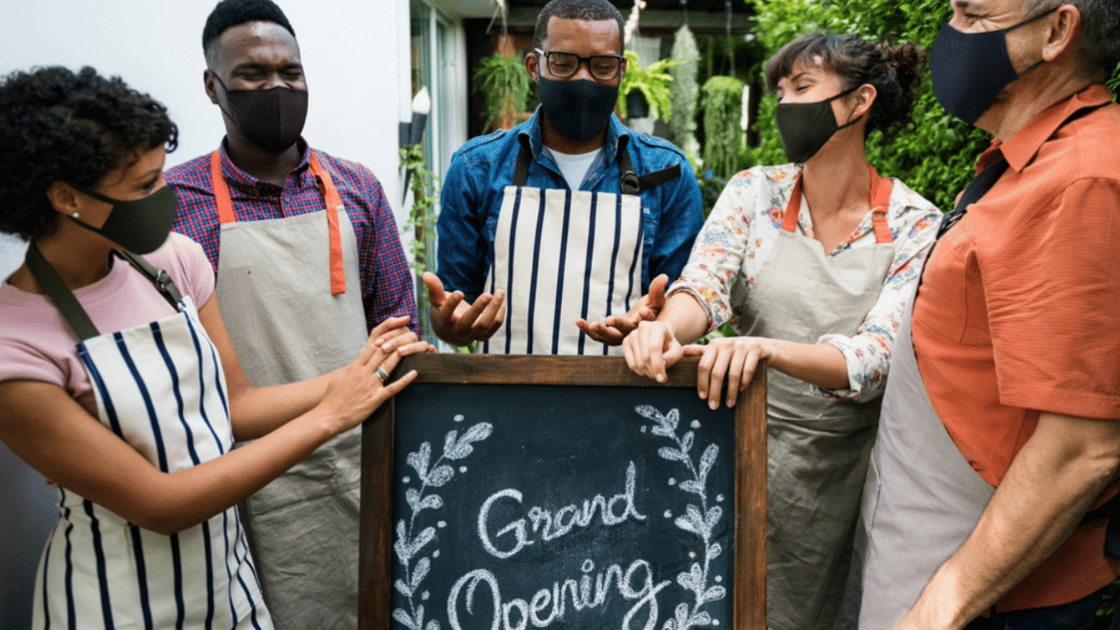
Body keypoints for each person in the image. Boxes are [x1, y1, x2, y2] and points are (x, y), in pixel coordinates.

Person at [0, 65, 428, 629]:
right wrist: (329, 415)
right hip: (114, 601)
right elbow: (162, 504)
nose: (165, 195)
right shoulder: (16, 345)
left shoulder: (173, 263)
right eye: (144, 187)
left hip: (230, 585)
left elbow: (236, 405)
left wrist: (355, 377)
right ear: (64, 197)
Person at [623, 31, 941, 630]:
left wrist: (763, 349)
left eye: (802, 88)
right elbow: (704, 286)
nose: (784, 105)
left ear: (858, 100)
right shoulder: (754, 192)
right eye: (779, 91)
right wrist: (667, 331)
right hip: (735, 454)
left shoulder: (914, 223)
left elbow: (874, 360)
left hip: (842, 478)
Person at [842, 0, 1120, 628]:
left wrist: (945, 604)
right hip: (922, 541)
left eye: (972, 15)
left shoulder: (1083, 180)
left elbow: (1083, 447)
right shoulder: (1018, 163)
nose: (951, 34)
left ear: (1057, 30)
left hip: (990, 595)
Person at [163, 1, 419, 626]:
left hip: (366, 457)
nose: (276, 87)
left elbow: (398, 325)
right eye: (252, 74)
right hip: (244, 476)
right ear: (212, 85)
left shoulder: (357, 187)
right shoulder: (174, 202)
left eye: (291, 72)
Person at [424, 0, 704, 355]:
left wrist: (658, 326)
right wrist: (453, 326)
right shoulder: (476, 167)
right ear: (534, 66)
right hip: (503, 400)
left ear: (621, 71)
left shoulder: (666, 173)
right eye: (563, 63)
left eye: (602, 66)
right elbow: (452, 304)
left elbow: (685, 300)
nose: (583, 79)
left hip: (628, 396)